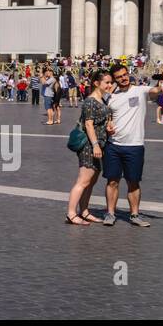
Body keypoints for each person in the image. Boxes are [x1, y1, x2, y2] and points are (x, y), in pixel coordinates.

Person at [102, 63, 150, 227]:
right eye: (118, 77)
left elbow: (156, 90)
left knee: (133, 182)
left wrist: (162, 82)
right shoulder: (111, 96)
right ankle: (110, 213)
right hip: (113, 145)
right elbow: (108, 116)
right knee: (112, 181)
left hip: (135, 145)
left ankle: (134, 214)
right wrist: (108, 124)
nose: (123, 78)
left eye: (124, 75)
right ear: (114, 79)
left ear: (128, 74)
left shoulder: (140, 90)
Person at [65, 69, 112, 225]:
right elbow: (88, 124)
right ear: (96, 83)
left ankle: (84, 211)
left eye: (111, 82)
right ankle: (71, 213)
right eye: (107, 82)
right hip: (90, 146)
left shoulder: (102, 100)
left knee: (91, 182)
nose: (110, 85)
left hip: (100, 145)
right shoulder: (90, 101)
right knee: (83, 181)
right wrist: (95, 145)